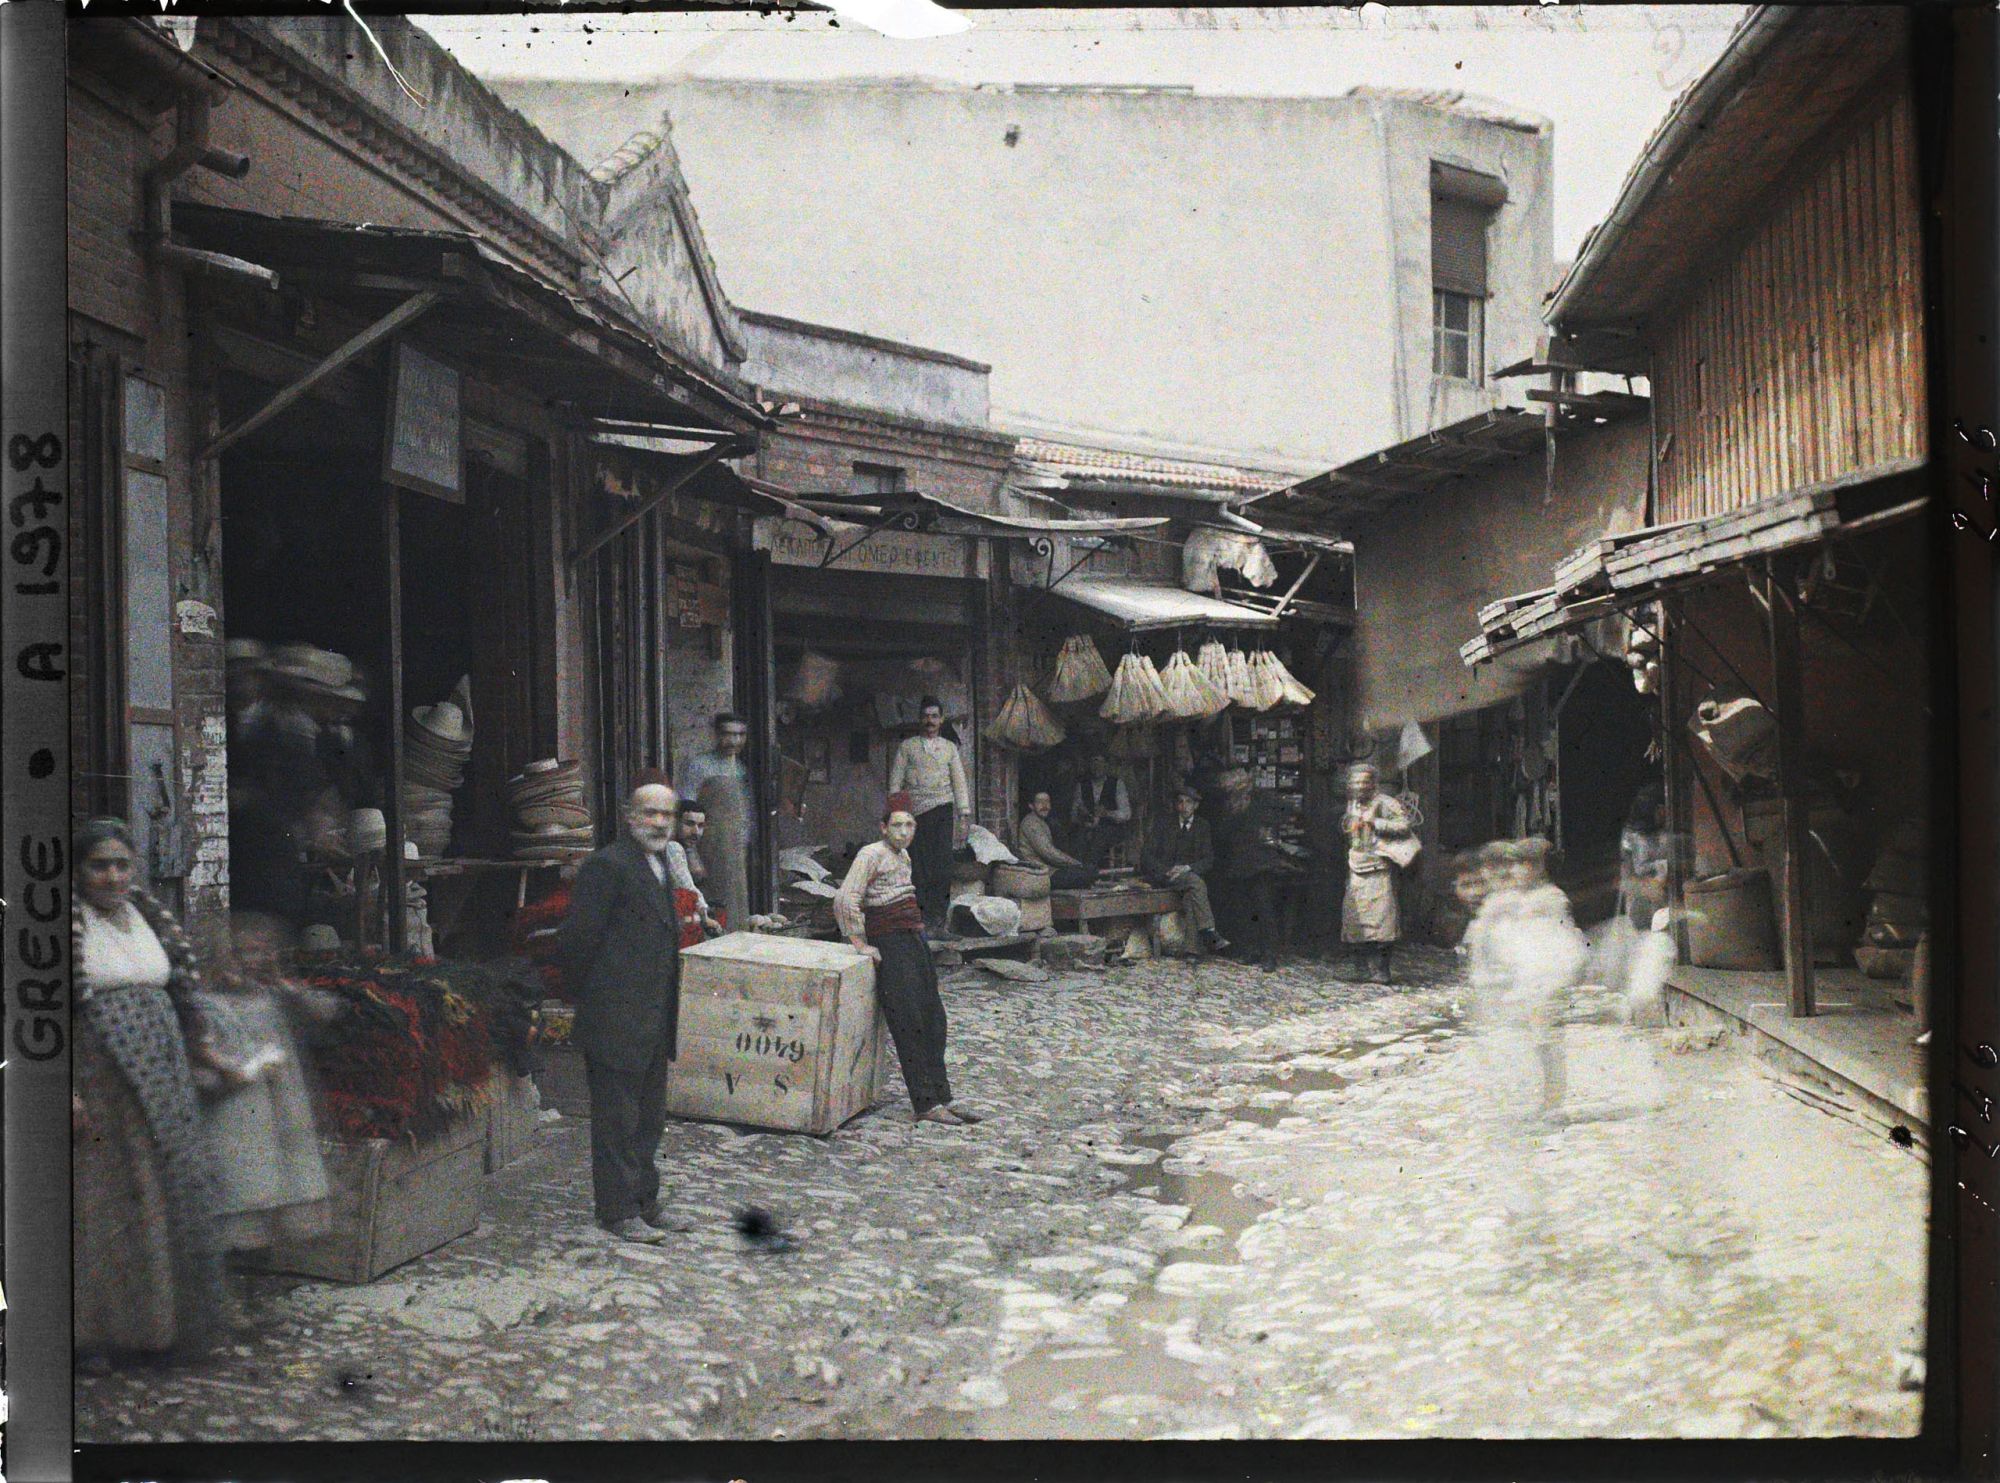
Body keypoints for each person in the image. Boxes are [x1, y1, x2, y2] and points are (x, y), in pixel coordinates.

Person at [71, 817, 226, 1362]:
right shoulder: (66, 926)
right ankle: (95, 1337)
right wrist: (66, 1092)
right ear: (76, 871)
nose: (112, 877)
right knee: (105, 1198)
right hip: (101, 1076)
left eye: (121, 864)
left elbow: (182, 992)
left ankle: (161, 1331)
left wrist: (200, 1045)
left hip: (162, 1074)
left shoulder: (149, 917)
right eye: (98, 866)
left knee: (164, 1192)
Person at [558, 772, 696, 1244]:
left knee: (649, 1116)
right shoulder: (608, 866)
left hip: (653, 1017)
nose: (659, 822)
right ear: (629, 816)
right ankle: (617, 1210)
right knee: (617, 1119)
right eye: (650, 813)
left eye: (667, 814)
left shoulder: (658, 863)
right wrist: (599, 1002)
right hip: (616, 1016)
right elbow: (577, 943)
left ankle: (645, 1200)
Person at [833, 793, 981, 1127]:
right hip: (889, 942)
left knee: (934, 1017)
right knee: (909, 1019)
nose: (904, 832)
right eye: (897, 825)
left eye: (910, 825)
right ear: (883, 827)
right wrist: (859, 942)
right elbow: (846, 898)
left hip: (913, 938)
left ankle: (943, 1097)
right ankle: (925, 1102)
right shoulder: (871, 854)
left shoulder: (904, 857)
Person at [191, 913, 335, 1252]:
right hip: (235, 1120)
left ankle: (261, 1263)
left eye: (262, 953)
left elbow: (326, 1013)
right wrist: (238, 1071)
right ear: (220, 959)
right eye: (243, 954)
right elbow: (201, 1069)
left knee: (279, 1189)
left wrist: (285, 985)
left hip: (280, 1117)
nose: (253, 962)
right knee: (239, 1194)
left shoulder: (271, 998)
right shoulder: (208, 1006)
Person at [887, 697, 971, 935]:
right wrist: (895, 814)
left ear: (941, 720)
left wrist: (964, 814)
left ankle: (939, 921)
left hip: (943, 810)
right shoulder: (908, 747)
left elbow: (959, 782)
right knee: (919, 869)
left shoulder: (949, 748)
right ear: (920, 719)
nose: (930, 721)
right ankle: (921, 921)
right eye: (926, 716)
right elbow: (895, 783)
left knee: (942, 868)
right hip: (917, 814)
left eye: (934, 716)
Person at [679, 713, 756, 939]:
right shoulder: (699, 766)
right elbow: (686, 809)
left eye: (740, 735)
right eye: (729, 734)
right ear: (717, 735)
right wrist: (691, 854)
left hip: (734, 851)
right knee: (711, 907)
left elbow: (744, 814)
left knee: (736, 907)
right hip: (708, 847)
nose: (734, 741)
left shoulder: (740, 768)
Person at [1341, 763, 1417, 983]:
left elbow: (1405, 826)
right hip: (1356, 866)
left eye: (1364, 781)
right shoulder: (1351, 805)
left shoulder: (1386, 803)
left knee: (1382, 922)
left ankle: (1381, 970)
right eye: (1355, 782)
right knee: (1354, 920)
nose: (1359, 786)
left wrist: (1376, 822)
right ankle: (1360, 969)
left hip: (1379, 868)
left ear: (1373, 783)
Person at [1213, 769, 1292, 972]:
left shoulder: (1261, 798)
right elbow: (1223, 832)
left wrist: (1268, 826)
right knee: (1245, 911)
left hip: (1261, 863)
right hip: (1239, 863)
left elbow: (1286, 808)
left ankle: (1269, 955)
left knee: (1264, 909)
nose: (1230, 791)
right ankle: (1251, 951)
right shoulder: (1230, 804)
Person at [1141, 785, 1228, 955]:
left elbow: (1209, 859)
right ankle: (1209, 931)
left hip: (1188, 878)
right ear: (1176, 805)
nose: (1184, 806)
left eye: (1189, 802)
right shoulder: (1164, 824)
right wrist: (1166, 870)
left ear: (1196, 805)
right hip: (1166, 876)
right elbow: (1146, 855)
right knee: (1196, 883)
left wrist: (1188, 868)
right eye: (1180, 802)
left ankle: (1191, 951)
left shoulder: (1203, 826)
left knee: (1191, 895)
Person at [1015, 790, 1098, 890]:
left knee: (1088, 871)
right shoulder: (1031, 823)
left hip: (1047, 871)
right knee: (1088, 873)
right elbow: (1048, 852)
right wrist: (1074, 863)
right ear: (1031, 806)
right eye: (1040, 802)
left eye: (1047, 802)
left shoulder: (1041, 821)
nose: (1045, 805)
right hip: (1040, 875)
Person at [665, 804, 722, 938]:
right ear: (675, 823)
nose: (696, 831)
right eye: (689, 824)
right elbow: (686, 886)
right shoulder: (673, 847)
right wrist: (705, 917)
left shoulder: (686, 850)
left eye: (700, 825)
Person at [1069, 753, 1133, 868]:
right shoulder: (1081, 785)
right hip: (1087, 828)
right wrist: (1082, 815)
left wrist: (1107, 813)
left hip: (1112, 830)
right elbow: (1073, 816)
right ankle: (1077, 869)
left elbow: (1126, 814)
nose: (1097, 766)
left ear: (1106, 765)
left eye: (1100, 763)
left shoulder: (1117, 784)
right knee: (1078, 836)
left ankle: (1089, 869)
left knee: (1100, 834)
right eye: (1094, 762)